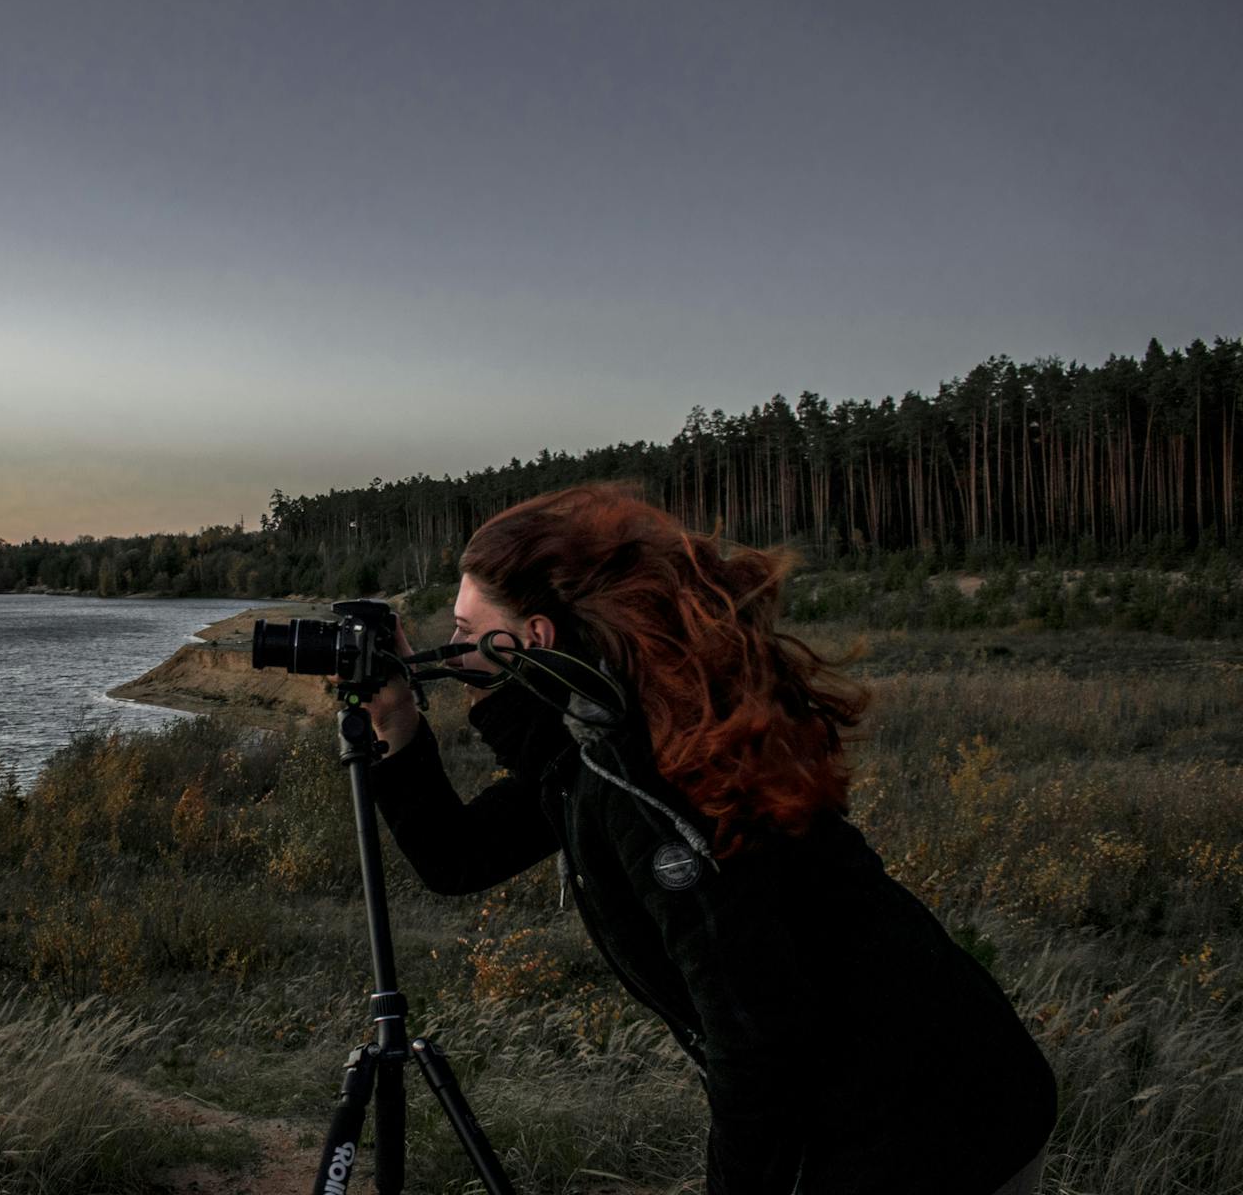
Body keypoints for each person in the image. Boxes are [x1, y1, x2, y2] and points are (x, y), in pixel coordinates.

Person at [362, 483, 1055, 1195]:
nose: (448, 654)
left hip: (929, 1124)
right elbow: (459, 857)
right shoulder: (605, 743)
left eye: (464, 630)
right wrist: (396, 726)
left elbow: (755, 1041)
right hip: (939, 1092)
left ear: (533, 638)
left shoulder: (637, 778)